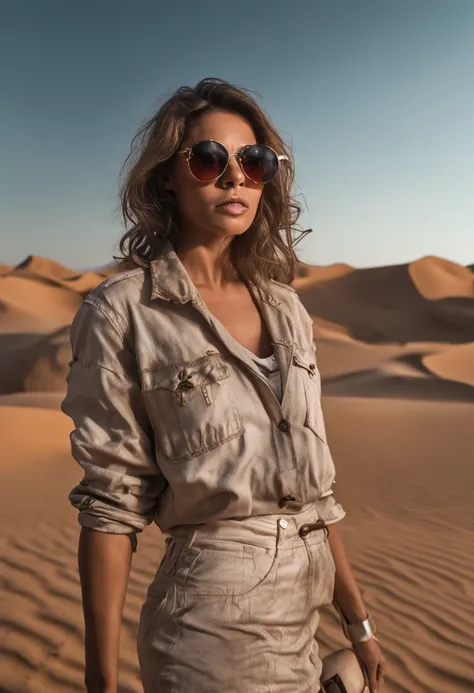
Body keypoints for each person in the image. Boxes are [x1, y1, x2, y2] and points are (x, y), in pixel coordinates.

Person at [62, 77, 386, 693]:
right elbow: (111, 504)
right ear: (167, 177)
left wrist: (359, 623)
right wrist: (101, 681)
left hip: (307, 615)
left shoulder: (287, 308)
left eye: (254, 161)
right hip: (212, 628)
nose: (235, 178)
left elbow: (314, 495)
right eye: (209, 159)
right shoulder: (123, 312)